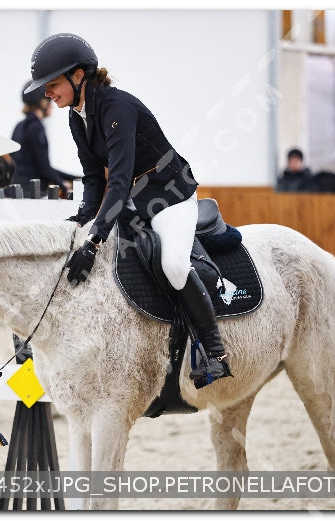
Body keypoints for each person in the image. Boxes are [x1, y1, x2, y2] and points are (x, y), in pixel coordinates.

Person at [23, 33, 231, 388]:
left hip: (169, 195)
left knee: (174, 264)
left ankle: (214, 351)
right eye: (45, 88)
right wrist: (82, 220)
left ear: (78, 75)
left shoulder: (116, 107)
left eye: (53, 85)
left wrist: (94, 242)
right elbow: (93, 177)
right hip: (134, 198)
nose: (47, 94)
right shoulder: (77, 115)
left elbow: (116, 182)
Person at [10, 80, 76, 198]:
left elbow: (37, 166)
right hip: (33, 194)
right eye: (50, 101)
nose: (52, 105)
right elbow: (44, 168)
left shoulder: (19, 126)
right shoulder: (36, 127)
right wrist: (64, 187)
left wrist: (74, 178)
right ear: (43, 103)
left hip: (17, 192)